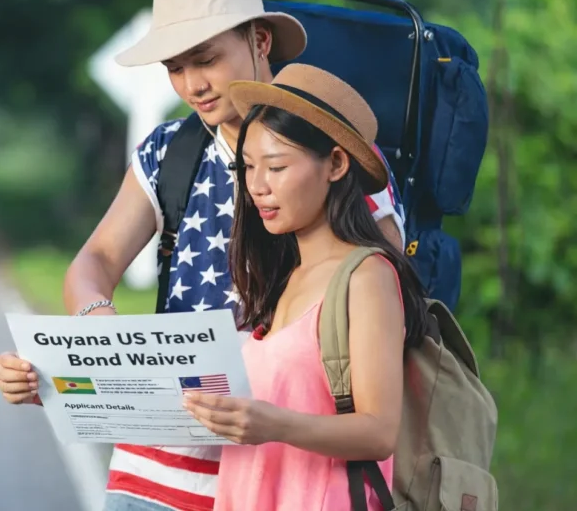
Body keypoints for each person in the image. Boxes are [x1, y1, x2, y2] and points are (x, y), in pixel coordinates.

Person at [0, 0, 406, 511]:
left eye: (207, 59)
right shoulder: (171, 151)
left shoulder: (338, 154)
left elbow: (382, 297)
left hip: (278, 470)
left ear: (260, 40)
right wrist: (109, 341)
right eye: (175, 68)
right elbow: (94, 262)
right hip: (150, 467)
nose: (193, 84)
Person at [182, 65, 429, 510]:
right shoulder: (282, 277)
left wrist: (274, 425)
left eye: (276, 167)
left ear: (336, 163)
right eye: (249, 167)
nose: (257, 187)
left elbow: (378, 432)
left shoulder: (366, 276)